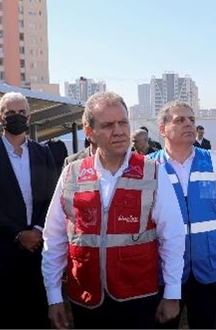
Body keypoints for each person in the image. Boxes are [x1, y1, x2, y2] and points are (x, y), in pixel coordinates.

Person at [42, 92, 185, 329]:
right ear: (89, 133)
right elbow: (54, 237)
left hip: (138, 300)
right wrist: (54, 296)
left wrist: (172, 294)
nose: (118, 131)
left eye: (123, 122)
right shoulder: (71, 174)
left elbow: (172, 236)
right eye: (108, 125)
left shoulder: (153, 172)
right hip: (86, 300)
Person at [149, 101, 216, 329]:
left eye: (191, 119)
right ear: (163, 129)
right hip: (164, 272)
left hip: (209, 269)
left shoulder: (214, 162)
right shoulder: (149, 168)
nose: (189, 124)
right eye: (180, 120)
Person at [0, 92, 57, 329]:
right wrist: (18, 234)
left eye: (21, 113)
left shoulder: (43, 153)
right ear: (0, 118)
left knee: (38, 311)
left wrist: (38, 230)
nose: (16, 117)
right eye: (10, 113)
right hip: (4, 249)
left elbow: (52, 196)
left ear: (29, 117)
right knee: (6, 312)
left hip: (39, 248)